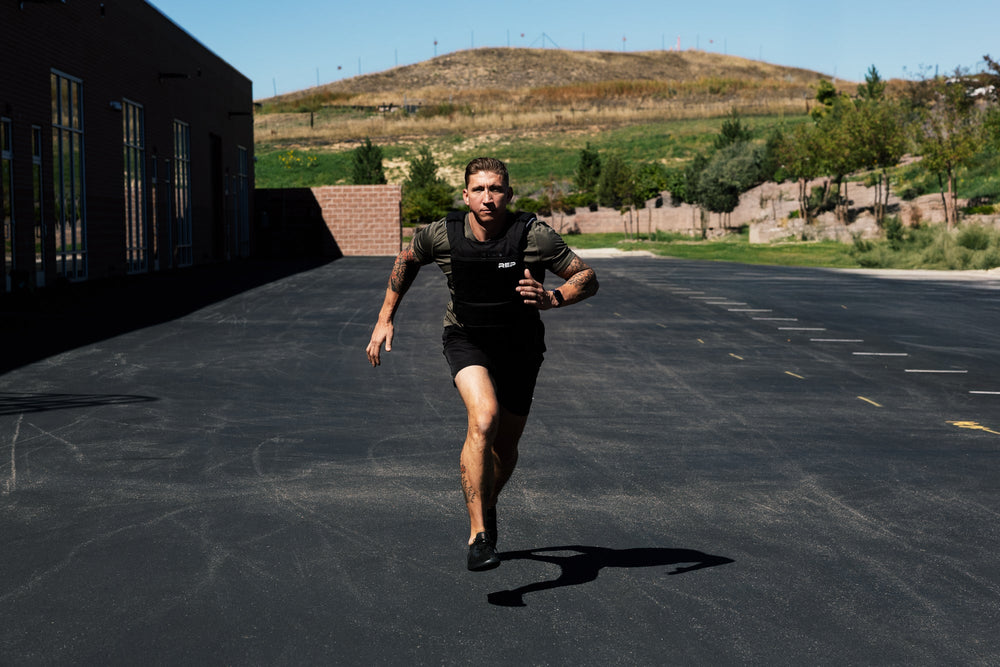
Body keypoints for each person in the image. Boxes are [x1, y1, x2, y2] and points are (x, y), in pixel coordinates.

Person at [366, 157, 599, 571]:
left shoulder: (533, 236)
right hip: (466, 337)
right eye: (479, 189)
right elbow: (406, 260)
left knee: (505, 448)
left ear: (508, 194)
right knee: (483, 419)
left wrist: (553, 297)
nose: (487, 197)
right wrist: (385, 318)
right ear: (466, 194)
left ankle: (487, 504)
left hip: (521, 346)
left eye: (495, 189)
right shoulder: (443, 234)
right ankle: (479, 537)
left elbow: (586, 277)